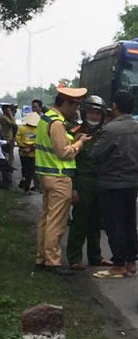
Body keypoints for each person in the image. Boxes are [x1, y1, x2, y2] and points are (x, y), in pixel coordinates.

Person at [35, 87, 92, 275]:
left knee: (46, 218)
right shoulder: (57, 123)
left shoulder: (46, 118)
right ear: (66, 103)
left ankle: (42, 257)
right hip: (59, 178)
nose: (75, 111)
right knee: (57, 222)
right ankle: (53, 261)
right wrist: (80, 143)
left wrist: (73, 140)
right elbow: (63, 153)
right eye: (74, 106)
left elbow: (56, 146)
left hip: (46, 175)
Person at [92, 90, 138, 279]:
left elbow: (96, 154)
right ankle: (131, 262)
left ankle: (118, 264)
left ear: (114, 106)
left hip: (111, 183)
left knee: (114, 225)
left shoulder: (111, 130)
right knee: (129, 223)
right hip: (131, 182)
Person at [66, 96, 109, 270]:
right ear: (84, 113)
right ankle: (74, 258)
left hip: (100, 181)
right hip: (82, 180)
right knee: (79, 221)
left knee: (96, 222)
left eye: (98, 113)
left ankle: (95, 256)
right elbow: (69, 160)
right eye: (91, 112)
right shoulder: (74, 132)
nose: (94, 116)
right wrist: (73, 188)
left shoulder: (105, 134)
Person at [16, 110, 40, 191]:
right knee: (31, 170)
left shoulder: (21, 128)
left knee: (24, 168)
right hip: (33, 153)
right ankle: (27, 186)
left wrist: (23, 147)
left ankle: (24, 183)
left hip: (23, 152)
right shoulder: (38, 130)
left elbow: (18, 139)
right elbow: (39, 141)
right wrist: (31, 148)